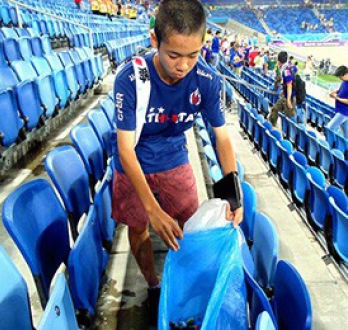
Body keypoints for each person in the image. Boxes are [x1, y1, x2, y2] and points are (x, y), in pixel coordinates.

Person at [112, 0, 243, 325]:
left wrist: (233, 192)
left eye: (193, 55)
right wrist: (153, 211)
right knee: (139, 228)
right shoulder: (131, 78)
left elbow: (222, 138)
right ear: (155, 40)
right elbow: (126, 149)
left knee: (189, 229)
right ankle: (154, 285)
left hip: (174, 160)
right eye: (174, 55)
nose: (183, 65)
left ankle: (186, 289)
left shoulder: (208, 81)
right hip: (133, 165)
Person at [326, 66, 348, 139]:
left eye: (340, 76)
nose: (339, 78)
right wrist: (333, 93)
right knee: (345, 132)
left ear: (345, 74)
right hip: (340, 109)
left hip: (344, 111)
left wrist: (336, 97)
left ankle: (330, 146)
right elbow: (340, 90)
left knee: (329, 128)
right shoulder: (344, 81)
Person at [268, 51, 296, 127]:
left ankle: (289, 135)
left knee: (288, 117)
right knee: (275, 109)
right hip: (286, 94)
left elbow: (289, 85)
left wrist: (289, 100)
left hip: (289, 96)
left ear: (278, 60)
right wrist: (283, 91)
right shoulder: (285, 68)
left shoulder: (286, 70)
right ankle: (271, 126)